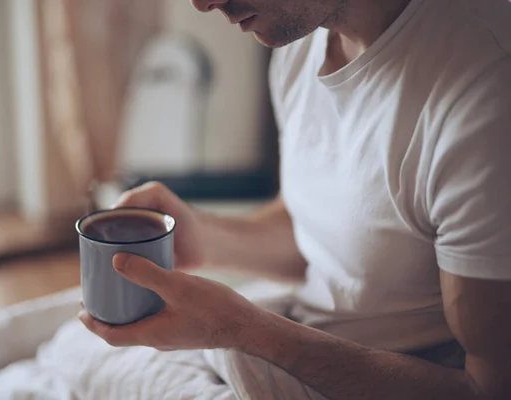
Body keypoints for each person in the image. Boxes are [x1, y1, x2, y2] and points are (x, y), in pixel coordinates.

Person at [79, 0, 511, 398]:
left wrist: (240, 329)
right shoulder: (301, 43)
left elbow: (486, 390)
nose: (202, 2)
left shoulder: (482, 93)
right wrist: (204, 236)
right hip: (297, 336)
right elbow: (323, 235)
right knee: (72, 348)